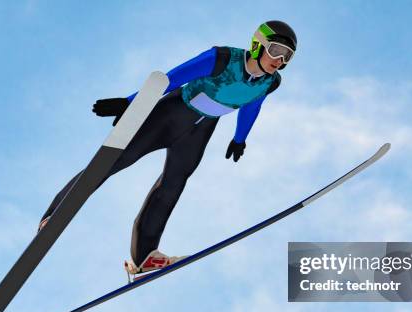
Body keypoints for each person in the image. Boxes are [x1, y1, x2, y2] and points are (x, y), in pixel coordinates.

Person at [39, 20, 297, 278]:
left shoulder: (270, 83)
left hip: (200, 130)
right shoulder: (222, 59)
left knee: (173, 184)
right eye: (275, 50)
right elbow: (172, 78)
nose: (279, 60)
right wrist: (131, 102)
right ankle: (57, 214)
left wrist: (240, 138)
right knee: (116, 160)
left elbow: (252, 106)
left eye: (287, 56)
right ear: (257, 45)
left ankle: (145, 256)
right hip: (171, 115)